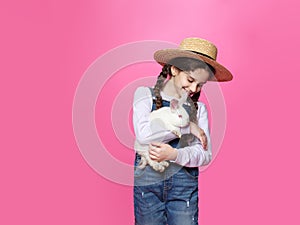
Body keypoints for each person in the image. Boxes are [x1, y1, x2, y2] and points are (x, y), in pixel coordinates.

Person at [132, 37, 233, 225]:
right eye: (191, 80)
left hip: (183, 188)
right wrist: (187, 127)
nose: (194, 89)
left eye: (200, 85)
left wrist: (175, 154)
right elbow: (144, 136)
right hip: (149, 186)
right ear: (174, 69)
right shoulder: (144, 95)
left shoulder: (198, 109)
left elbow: (204, 154)